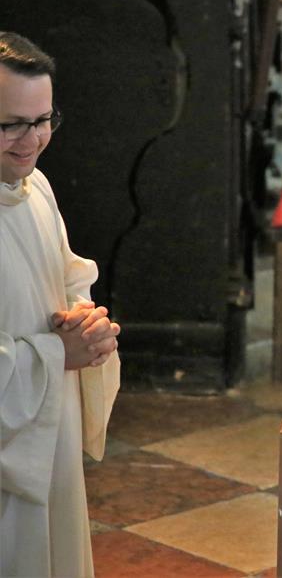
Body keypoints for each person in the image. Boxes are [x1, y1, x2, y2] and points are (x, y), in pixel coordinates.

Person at [0, 31, 120, 576]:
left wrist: (85, 322)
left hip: (47, 428)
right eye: (11, 125)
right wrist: (56, 354)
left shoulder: (36, 188)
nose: (32, 140)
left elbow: (66, 276)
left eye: (43, 120)